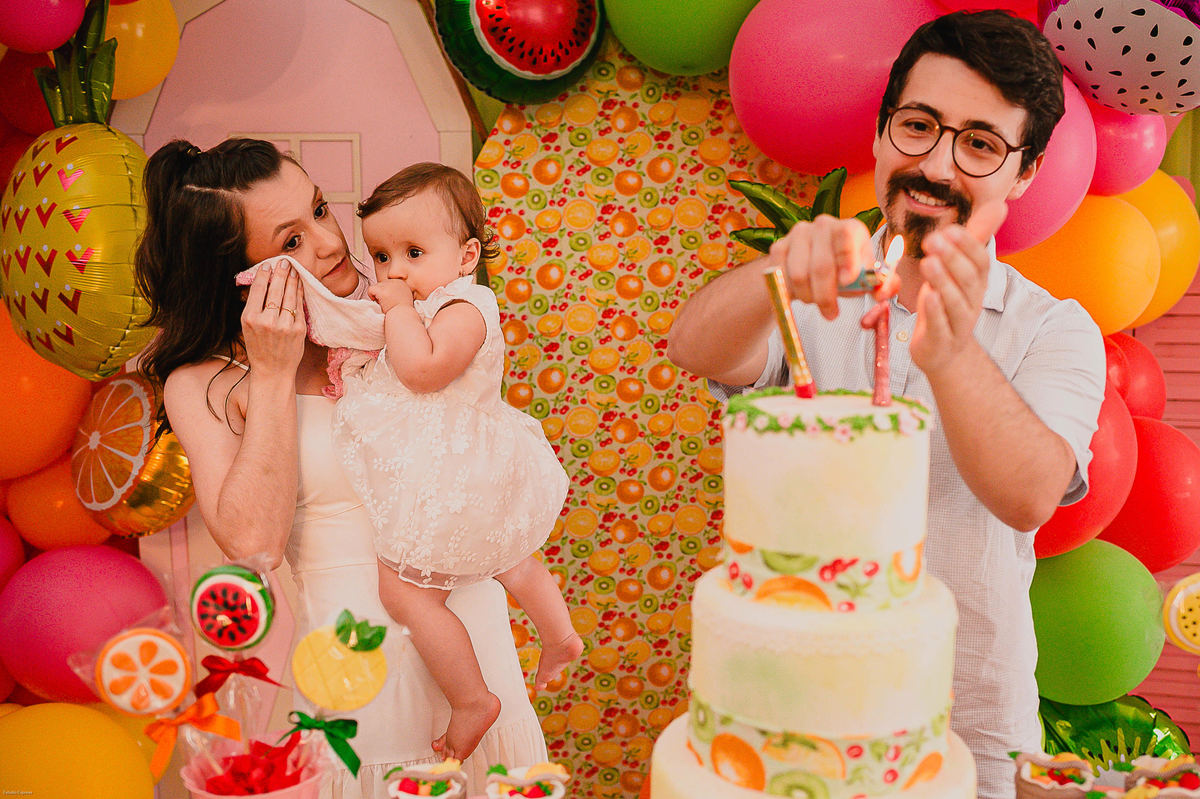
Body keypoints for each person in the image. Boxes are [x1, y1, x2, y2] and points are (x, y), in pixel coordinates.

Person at [666, 11, 1105, 799]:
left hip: (968, 728)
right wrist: (778, 271)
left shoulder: (1055, 329)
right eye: (918, 125)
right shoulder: (812, 286)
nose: (936, 163)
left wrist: (950, 351)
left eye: (978, 143)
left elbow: (1031, 491)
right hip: (792, 726)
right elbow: (694, 346)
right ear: (880, 132)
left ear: (1025, 174)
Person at [134, 138, 548, 798]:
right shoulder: (205, 382)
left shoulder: (398, 325)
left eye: (320, 211)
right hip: (364, 682)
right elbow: (255, 544)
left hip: (475, 650)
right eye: (289, 242)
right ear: (234, 274)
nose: (328, 243)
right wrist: (272, 371)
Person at [330, 163, 580, 761]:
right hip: (461, 464)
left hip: (459, 468)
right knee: (511, 560)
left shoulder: (466, 306)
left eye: (414, 252)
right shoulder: (432, 303)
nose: (395, 272)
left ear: (466, 256)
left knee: (406, 594)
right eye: (382, 255)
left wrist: (394, 313)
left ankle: (472, 699)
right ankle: (560, 635)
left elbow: (423, 371)